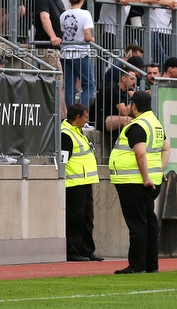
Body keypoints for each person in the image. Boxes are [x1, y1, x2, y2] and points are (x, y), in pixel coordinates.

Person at [109, 90, 170, 274]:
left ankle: (136, 265)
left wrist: (145, 178)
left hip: (134, 181)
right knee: (149, 221)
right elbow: (166, 149)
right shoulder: (156, 125)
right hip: (151, 181)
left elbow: (140, 153)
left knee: (137, 224)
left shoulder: (138, 126)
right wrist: (159, 170)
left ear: (134, 106)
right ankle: (151, 265)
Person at [62, 103, 102, 262]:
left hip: (85, 180)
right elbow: (63, 161)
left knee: (87, 218)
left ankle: (87, 250)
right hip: (74, 183)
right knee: (75, 219)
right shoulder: (66, 133)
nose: (87, 120)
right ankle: (73, 251)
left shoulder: (77, 131)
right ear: (77, 117)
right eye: (85, 116)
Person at [60, 0, 95, 111]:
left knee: (69, 86)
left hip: (65, 53)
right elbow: (87, 36)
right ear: (82, 0)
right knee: (89, 85)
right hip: (80, 53)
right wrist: (93, 39)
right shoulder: (85, 14)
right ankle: (80, 113)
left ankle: (71, 114)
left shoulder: (63, 15)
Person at [94, 69, 135, 136]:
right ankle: (123, 144)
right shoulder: (114, 90)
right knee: (127, 120)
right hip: (101, 120)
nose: (134, 82)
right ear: (123, 78)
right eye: (132, 79)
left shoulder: (125, 92)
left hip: (113, 118)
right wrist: (137, 101)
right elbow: (124, 111)